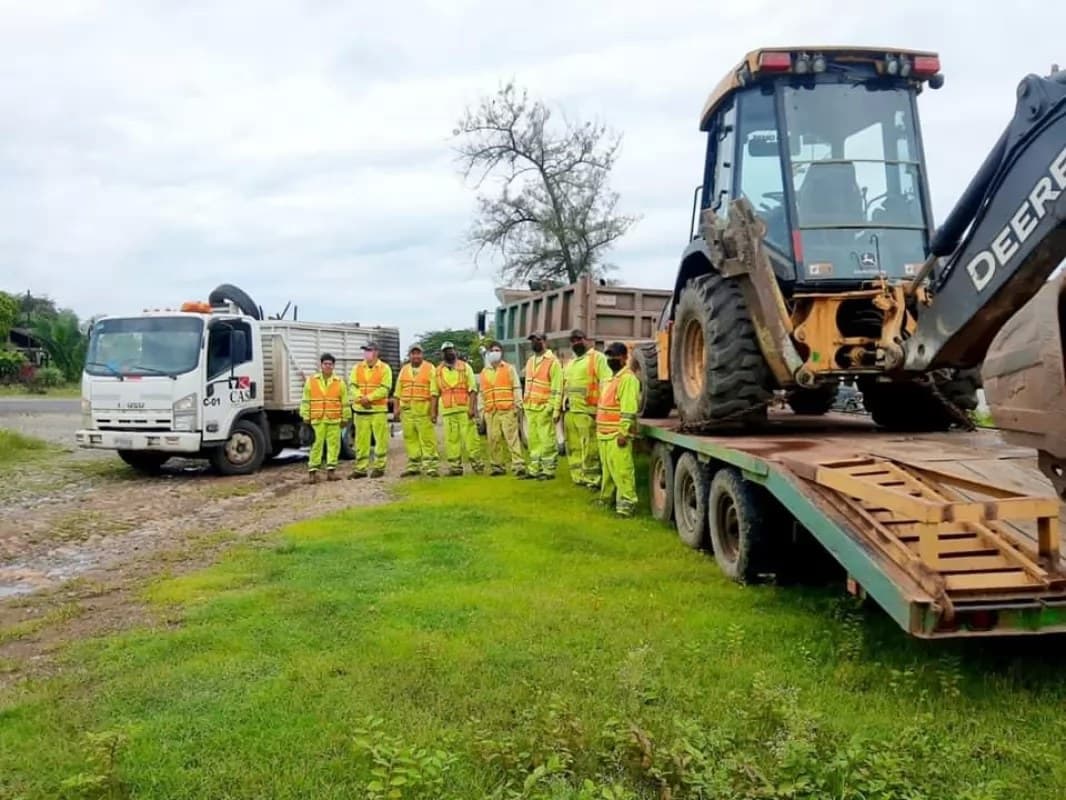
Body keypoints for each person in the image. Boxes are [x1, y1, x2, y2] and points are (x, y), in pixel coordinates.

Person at [562, 328, 612, 489]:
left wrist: (604, 409)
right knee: (574, 447)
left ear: (587, 340)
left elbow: (606, 382)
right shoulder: (570, 363)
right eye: (573, 340)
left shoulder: (597, 358)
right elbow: (565, 386)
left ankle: (593, 478)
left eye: (579, 339)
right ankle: (578, 476)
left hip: (589, 411)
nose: (576, 342)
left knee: (590, 448)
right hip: (571, 411)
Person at [596, 342, 640, 517]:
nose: (610, 359)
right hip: (604, 434)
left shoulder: (628, 379)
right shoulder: (610, 379)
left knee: (622, 472)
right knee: (607, 471)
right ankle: (606, 499)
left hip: (617, 435)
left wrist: (623, 432)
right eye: (608, 356)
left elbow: (628, 409)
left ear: (624, 358)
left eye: (614, 356)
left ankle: (626, 505)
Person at [299, 352, 351, 483]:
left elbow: (345, 402)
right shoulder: (311, 381)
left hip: (334, 419)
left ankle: (331, 472)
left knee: (334, 446)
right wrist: (305, 416)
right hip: (317, 419)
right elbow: (305, 400)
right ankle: (312, 473)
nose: (328, 366)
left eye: (330, 364)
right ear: (321, 365)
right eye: (325, 364)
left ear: (333, 366)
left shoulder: (340, 382)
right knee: (316, 446)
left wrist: (345, 418)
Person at [479, 341, 526, 477]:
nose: (495, 352)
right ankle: (497, 466)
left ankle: (518, 465)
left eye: (497, 350)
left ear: (501, 353)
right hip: (491, 411)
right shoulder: (484, 372)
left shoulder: (509, 368)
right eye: (493, 350)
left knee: (512, 438)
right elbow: (482, 393)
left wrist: (518, 405)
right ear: (488, 353)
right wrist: (482, 411)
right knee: (493, 440)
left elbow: (516, 387)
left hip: (507, 409)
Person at [436, 341, 483, 476]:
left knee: (471, 440)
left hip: (464, 410)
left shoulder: (465, 367)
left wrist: (472, 408)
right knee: (451, 441)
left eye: (451, 350)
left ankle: (477, 465)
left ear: (455, 351)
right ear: (442, 353)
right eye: (446, 351)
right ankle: (455, 467)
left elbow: (473, 389)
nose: (449, 352)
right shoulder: (438, 371)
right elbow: (434, 392)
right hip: (448, 411)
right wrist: (433, 412)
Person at [348, 341, 393, 479]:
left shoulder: (385, 368)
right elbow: (352, 386)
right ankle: (360, 469)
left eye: (369, 350)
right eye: (365, 350)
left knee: (381, 440)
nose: (366, 353)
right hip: (360, 410)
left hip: (378, 410)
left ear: (376, 352)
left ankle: (379, 467)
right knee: (361, 441)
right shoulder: (357, 368)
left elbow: (385, 388)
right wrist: (361, 398)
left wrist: (369, 398)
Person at [522, 332, 562, 480]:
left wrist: (554, 408)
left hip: (544, 407)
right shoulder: (530, 361)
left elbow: (557, 388)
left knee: (546, 440)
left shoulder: (553, 362)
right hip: (531, 407)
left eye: (537, 340)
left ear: (545, 341)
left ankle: (548, 470)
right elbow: (528, 383)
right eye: (532, 340)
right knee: (533, 440)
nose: (534, 343)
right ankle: (534, 469)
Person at [395, 344, 440, 477]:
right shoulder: (404, 370)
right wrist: (397, 409)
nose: (416, 356)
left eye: (418, 353)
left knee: (427, 439)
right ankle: (414, 466)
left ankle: (431, 466)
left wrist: (433, 412)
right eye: (413, 353)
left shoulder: (429, 368)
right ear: (409, 355)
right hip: (407, 411)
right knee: (410, 438)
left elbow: (434, 393)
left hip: (423, 410)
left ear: (422, 354)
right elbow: (398, 392)